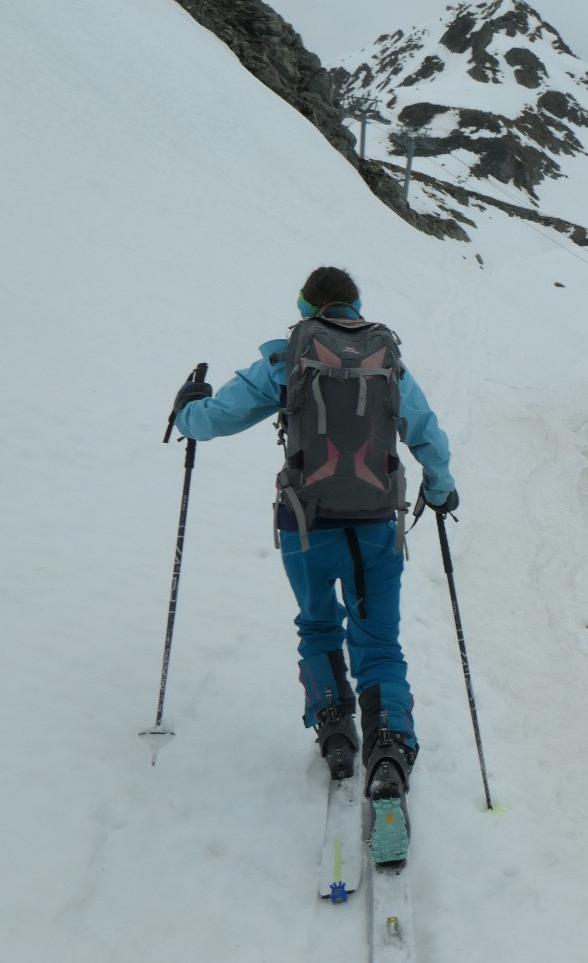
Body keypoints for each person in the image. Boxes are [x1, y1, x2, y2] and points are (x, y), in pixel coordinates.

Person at [170, 266, 457, 801]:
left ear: (305, 305)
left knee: (318, 625)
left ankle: (334, 730)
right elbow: (426, 431)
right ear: (356, 305)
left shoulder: (285, 358)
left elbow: (215, 421)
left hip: (306, 523)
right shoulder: (387, 359)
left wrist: (188, 407)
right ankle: (390, 743)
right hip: (376, 523)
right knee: (379, 640)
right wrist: (440, 489)